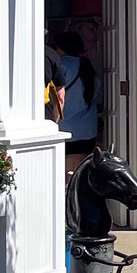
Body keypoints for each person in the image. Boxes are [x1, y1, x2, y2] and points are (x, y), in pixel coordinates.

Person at [54, 30, 101, 171]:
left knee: (64, 176)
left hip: (65, 129)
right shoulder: (88, 67)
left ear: (61, 48)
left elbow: (58, 95)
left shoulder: (61, 65)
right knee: (78, 172)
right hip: (88, 131)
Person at [43, 33, 67, 127]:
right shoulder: (50, 54)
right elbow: (60, 96)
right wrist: (54, 123)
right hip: (45, 115)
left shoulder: (8, 52)